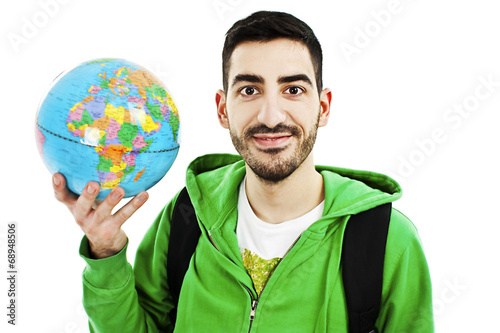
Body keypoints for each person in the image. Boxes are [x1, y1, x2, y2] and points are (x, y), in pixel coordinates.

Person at [52, 10, 434, 332]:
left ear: (323, 106)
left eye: (294, 90)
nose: (270, 116)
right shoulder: (186, 218)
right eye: (249, 90)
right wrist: (105, 252)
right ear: (223, 109)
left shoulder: (387, 240)